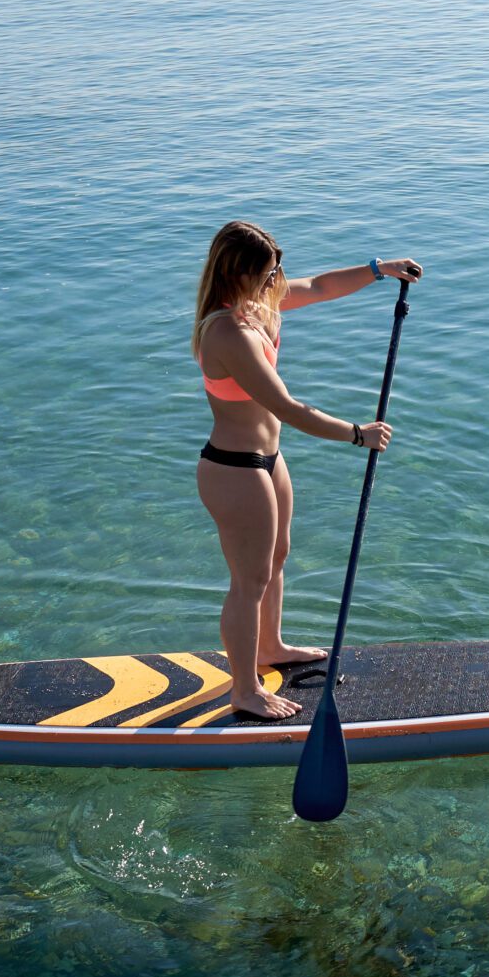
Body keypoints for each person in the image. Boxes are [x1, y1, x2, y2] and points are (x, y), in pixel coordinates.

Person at [192, 221, 421, 718]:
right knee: (247, 583)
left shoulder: (259, 305)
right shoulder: (229, 332)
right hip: (233, 469)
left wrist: (380, 270)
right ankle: (245, 689)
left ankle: (270, 647)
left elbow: (321, 287)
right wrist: (356, 433)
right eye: (270, 270)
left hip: (267, 460)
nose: (280, 277)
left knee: (276, 557)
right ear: (240, 274)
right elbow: (288, 407)